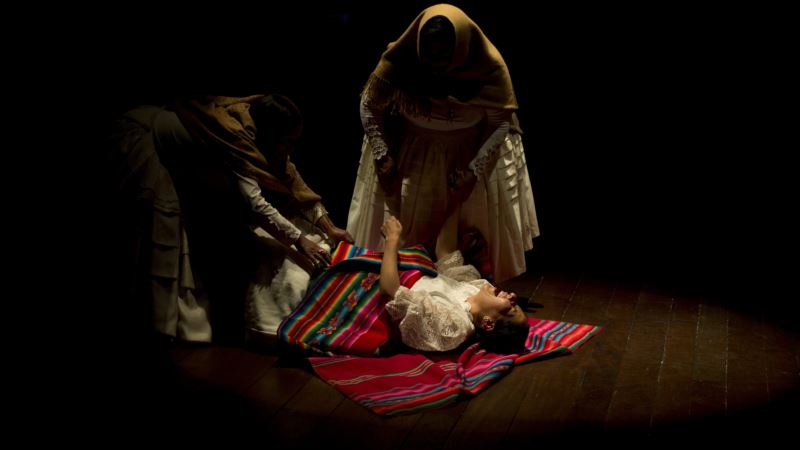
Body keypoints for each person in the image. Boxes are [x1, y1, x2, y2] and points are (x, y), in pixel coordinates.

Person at [111, 94, 351, 343]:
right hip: (140, 140)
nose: (290, 149)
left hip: (179, 160)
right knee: (162, 230)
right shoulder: (235, 140)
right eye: (286, 142)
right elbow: (255, 204)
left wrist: (329, 227)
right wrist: (300, 240)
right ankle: (148, 326)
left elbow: (295, 183)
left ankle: (176, 325)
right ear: (269, 134)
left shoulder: (261, 140)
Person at [347, 3, 540, 284]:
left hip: (466, 155)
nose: (436, 64)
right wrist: (381, 151)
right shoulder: (401, 60)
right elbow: (369, 103)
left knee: (461, 229)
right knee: (411, 223)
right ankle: (407, 279)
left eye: (444, 55)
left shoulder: (487, 66)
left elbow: (501, 122)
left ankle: (461, 286)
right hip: (416, 153)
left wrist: (474, 169)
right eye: (429, 55)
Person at [380, 208, 529, 353]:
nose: (513, 296)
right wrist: (455, 202)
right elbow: (446, 255)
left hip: (382, 284)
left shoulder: (454, 327)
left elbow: (391, 291)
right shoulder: (476, 289)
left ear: (488, 323)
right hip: (402, 267)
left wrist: (391, 239)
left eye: (512, 308)